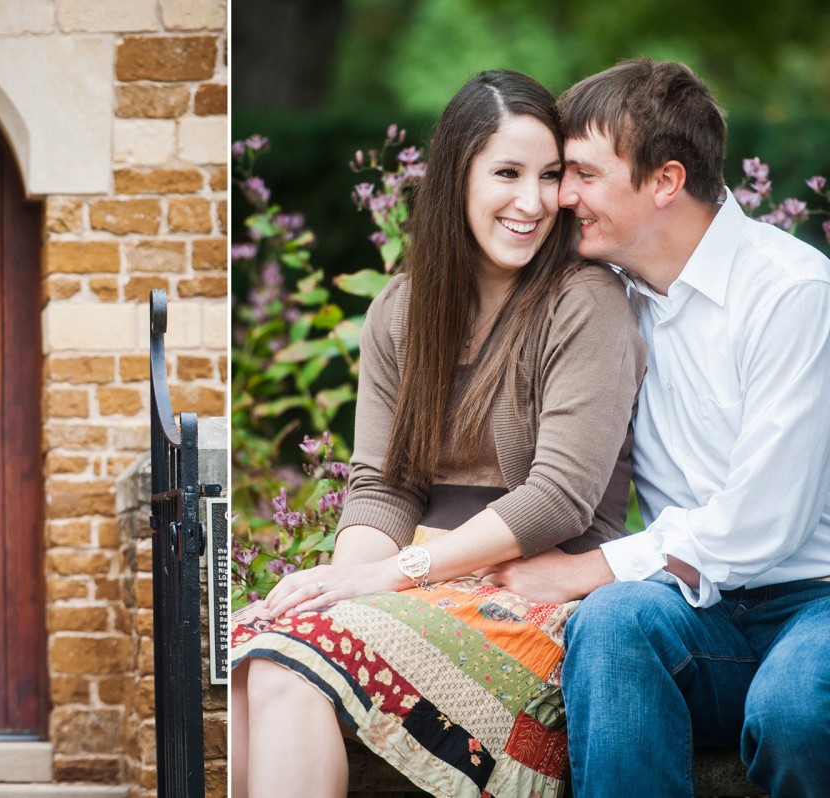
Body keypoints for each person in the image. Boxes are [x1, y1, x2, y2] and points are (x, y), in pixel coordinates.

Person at [229, 70, 647, 798]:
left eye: (550, 176)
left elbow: (559, 499)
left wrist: (387, 577)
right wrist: (340, 581)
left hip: (536, 593)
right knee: (254, 649)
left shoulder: (587, 301)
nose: (533, 201)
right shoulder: (401, 309)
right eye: (507, 173)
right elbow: (384, 485)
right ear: (457, 177)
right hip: (423, 588)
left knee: (290, 663)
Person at [477, 59, 830, 797]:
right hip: (697, 613)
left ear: (665, 181)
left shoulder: (792, 295)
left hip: (816, 598)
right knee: (613, 626)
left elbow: (763, 522)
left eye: (582, 174)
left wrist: (586, 569)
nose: (561, 197)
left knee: (795, 711)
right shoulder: (609, 299)